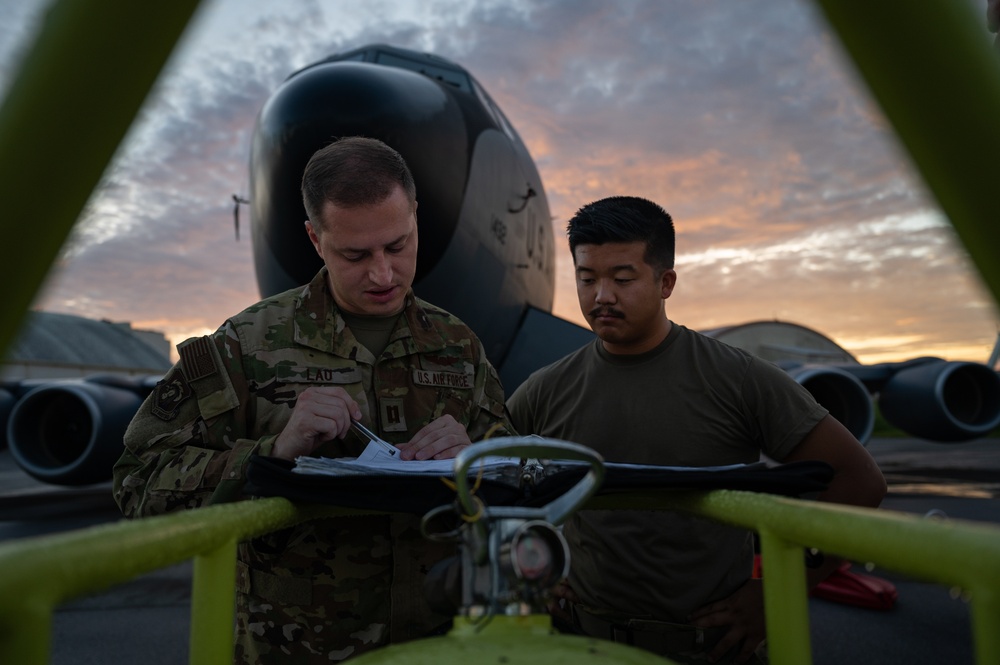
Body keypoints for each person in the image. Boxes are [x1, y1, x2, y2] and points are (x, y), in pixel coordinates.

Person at [113, 137, 512, 663]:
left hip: (437, 643)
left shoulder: (458, 343)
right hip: (295, 648)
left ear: (415, 215)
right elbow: (138, 482)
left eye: (398, 244)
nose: (383, 274)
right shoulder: (244, 345)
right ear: (314, 239)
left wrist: (476, 459)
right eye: (355, 254)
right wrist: (274, 454)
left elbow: (516, 469)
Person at [506, 196, 886, 664]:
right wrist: (530, 565)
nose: (602, 295)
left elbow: (860, 479)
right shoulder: (546, 389)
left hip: (709, 651)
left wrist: (776, 594)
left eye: (623, 279)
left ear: (666, 283)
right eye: (587, 279)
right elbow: (484, 481)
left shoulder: (737, 377)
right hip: (582, 644)